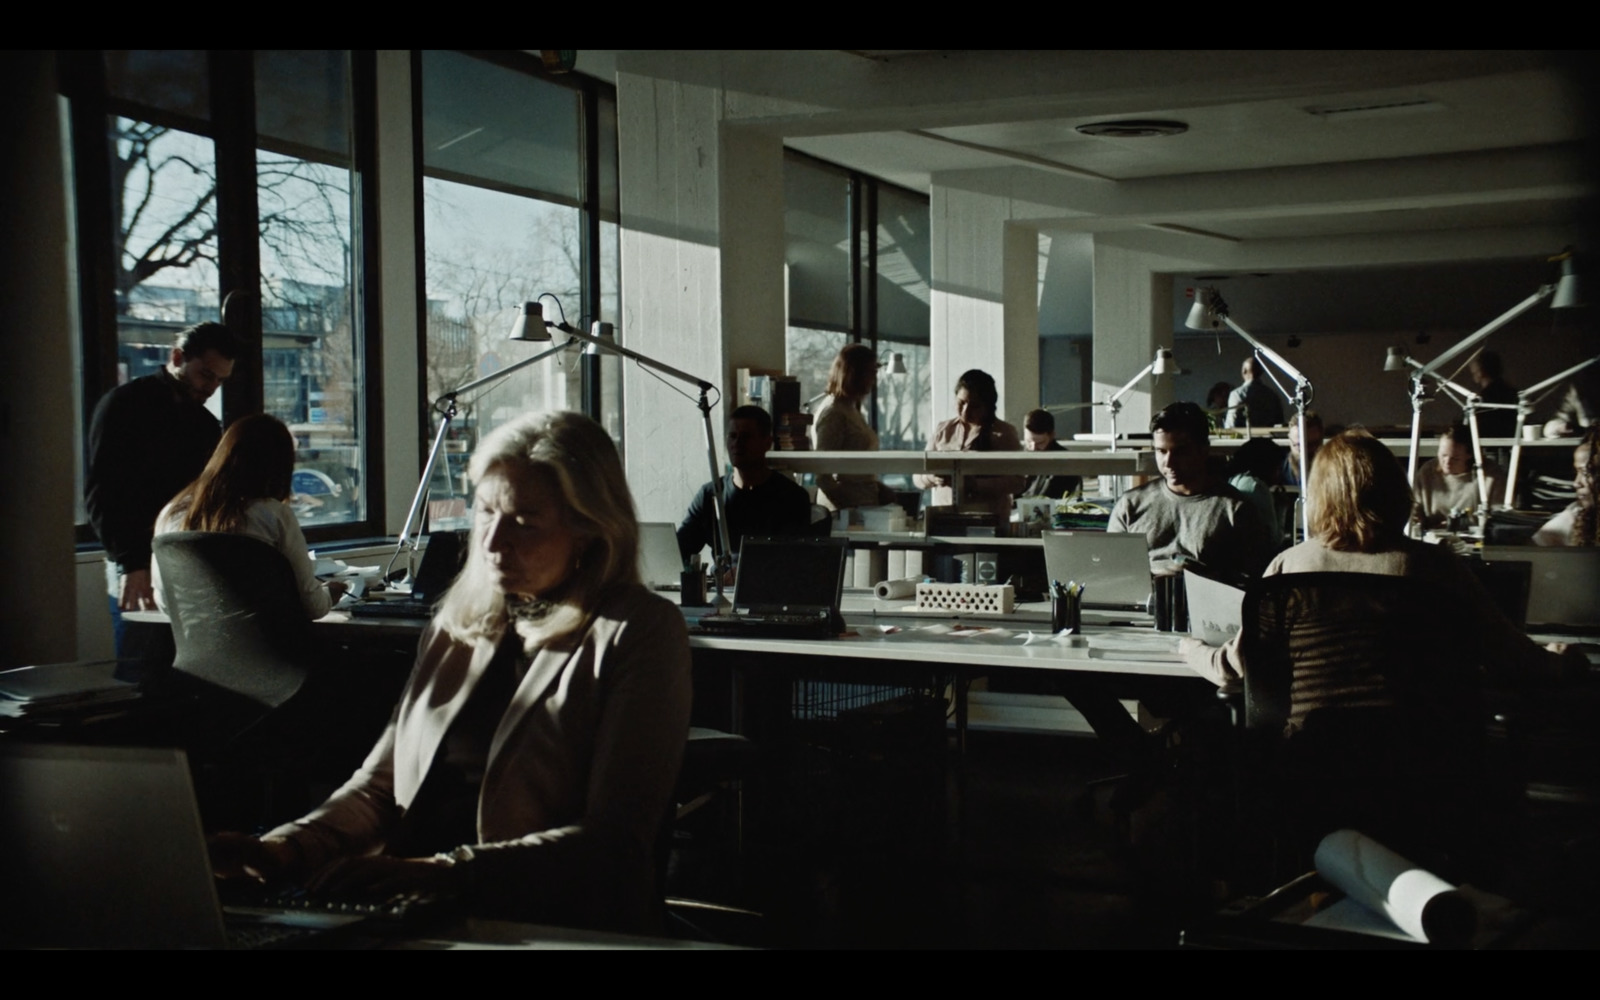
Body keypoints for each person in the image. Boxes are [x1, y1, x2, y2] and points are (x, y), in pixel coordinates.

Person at [211, 411, 693, 935]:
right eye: (485, 513)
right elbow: (379, 790)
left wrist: (441, 874)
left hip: (539, 922)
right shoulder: (460, 625)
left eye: (524, 521)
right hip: (413, 907)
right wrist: (284, 848)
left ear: (589, 528)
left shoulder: (638, 630)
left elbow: (613, 843)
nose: (492, 542)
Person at [1180, 431, 1579, 689]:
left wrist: (1188, 649)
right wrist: (1562, 661)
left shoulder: (1289, 568)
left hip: (1313, 770)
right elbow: (1512, 658)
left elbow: (1231, 668)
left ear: (1320, 497)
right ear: (1395, 490)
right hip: (1417, 778)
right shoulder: (1436, 567)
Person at [86, 321, 240, 653]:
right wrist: (132, 563)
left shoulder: (204, 425)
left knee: (178, 668)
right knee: (141, 663)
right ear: (177, 356)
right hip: (138, 559)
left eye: (220, 380)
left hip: (187, 565)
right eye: (206, 375)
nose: (211, 387)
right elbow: (105, 493)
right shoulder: (123, 405)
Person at [150, 414, 346, 619]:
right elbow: (312, 607)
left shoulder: (171, 514)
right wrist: (330, 593)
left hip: (197, 649)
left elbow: (166, 602)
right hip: (270, 648)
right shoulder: (273, 516)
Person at [1109, 401, 1273, 582]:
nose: (1169, 462)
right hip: (1140, 603)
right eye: (1161, 451)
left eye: (1180, 452)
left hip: (1206, 603)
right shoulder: (1130, 504)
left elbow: (1253, 578)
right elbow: (1113, 571)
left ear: (1203, 450)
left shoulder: (1235, 509)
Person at [677, 404, 812, 563]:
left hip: (768, 586)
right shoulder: (710, 495)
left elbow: (792, 562)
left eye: (746, 436)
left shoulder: (792, 498)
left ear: (767, 443)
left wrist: (742, 573)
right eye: (732, 436)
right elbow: (679, 551)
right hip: (722, 586)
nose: (737, 443)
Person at [913, 369, 1026, 522]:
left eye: (975, 406)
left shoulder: (1004, 433)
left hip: (987, 521)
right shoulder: (944, 429)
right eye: (961, 402)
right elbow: (917, 477)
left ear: (988, 405)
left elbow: (1017, 482)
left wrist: (976, 485)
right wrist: (932, 477)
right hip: (945, 520)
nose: (965, 411)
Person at [813, 343, 895, 511]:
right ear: (854, 373)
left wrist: (878, 488)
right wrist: (848, 506)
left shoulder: (850, 410)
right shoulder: (834, 412)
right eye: (871, 372)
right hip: (844, 513)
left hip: (862, 507)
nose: (874, 379)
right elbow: (823, 475)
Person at [1413, 424, 1507, 528]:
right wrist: (1415, 515)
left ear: (1470, 455)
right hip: (1432, 535)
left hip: (1475, 537)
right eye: (1443, 455)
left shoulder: (1490, 475)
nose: (1447, 462)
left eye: (1455, 458)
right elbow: (1415, 505)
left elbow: (1500, 515)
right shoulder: (1427, 471)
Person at [1532, 426, 1599, 546]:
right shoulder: (1576, 516)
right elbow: (1540, 544)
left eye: (1586, 472)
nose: (1576, 483)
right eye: (1576, 472)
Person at [1226, 436, 1287, 549]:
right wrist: (1281, 507)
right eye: (1278, 468)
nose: (1279, 474)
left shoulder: (1236, 480)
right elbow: (1274, 539)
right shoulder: (1257, 488)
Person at [1017, 409, 1081, 501]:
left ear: (1052, 436)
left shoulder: (1065, 462)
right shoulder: (1019, 455)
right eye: (1028, 441)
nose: (1033, 448)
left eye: (1040, 443)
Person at [1224, 355, 1285, 429]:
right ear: (1261, 372)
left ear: (1244, 371)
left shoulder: (1237, 394)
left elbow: (1231, 424)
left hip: (1246, 438)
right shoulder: (1272, 395)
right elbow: (1280, 422)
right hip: (1268, 439)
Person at [1468, 351, 1518, 440]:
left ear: (1481, 370)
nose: (1472, 371)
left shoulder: (1483, 398)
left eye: (1474, 370)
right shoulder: (1511, 391)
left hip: (1490, 442)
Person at [1278, 410, 1323, 487]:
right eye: (1299, 445)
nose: (1305, 452)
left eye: (1312, 445)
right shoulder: (1279, 473)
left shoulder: (1334, 472)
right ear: (1289, 440)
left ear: (1321, 440)